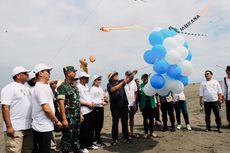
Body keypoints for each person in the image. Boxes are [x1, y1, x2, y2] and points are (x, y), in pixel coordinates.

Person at [1, 66, 33, 153]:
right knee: (14, 151)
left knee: (27, 150)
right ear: (18, 75)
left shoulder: (27, 89)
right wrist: (9, 126)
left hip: (28, 127)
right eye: (25, 73)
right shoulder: (9, 88)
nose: (28, 75)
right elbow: (5, 107)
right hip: (15, 128)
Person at [31, 63, 62, 153]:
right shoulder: (40, 87)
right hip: (42, 126)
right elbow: (46, 108)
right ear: (40, 73)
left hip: (44, 124)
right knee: (44, 150)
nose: (49, 73)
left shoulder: (44, 86)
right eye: (47, 71)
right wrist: (57, 121)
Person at [57, 66, 82, 153]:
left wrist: (81, 114)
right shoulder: (62, 87)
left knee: (76, 137)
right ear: (68, 73)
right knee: (67, 138)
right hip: (68, 118)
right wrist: (64, 119)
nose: (75, 73)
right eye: (73, 72)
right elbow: (61, 104)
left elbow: (77, 102)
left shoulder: (74, 87)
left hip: (76, 116)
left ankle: (77, 150)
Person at [107, 71, 133, 145]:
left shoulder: (121, 81)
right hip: (115, 107)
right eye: (114, 75)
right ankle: (114, 139)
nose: (116, 75)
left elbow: (130, 79)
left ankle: (126, 138)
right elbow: (113, 89)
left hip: (124, 105)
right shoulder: (109, 84)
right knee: (115, 123)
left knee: (125, 123)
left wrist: (133, 73)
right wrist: (123, 83)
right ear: (111, 78)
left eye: (116, 74)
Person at [77, 71, 98, 152]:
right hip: (84, 111)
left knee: (91, 128)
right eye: (86, 78)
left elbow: (88, 97)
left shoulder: (86, 86)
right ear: (82, 78)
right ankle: (82, 147)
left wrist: (92, 102)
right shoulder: (78, 87)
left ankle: (89, 144)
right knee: (84, 130)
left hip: (90, 110)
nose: (88, 79)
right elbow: (77, 100)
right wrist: (87, 104)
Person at [90, 75, 108, 146]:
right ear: (94, 81)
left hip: (101, 107)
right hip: (96, 108)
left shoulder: (100, 88)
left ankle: (97, 138)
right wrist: (101, 102)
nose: (99, 81)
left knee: (100, 124)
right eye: (98, 79)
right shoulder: (92, 89)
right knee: (97, 125)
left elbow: (102, 97)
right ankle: (96, 140)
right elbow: (92, 100)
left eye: (100, 79)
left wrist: (105, 99)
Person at [139, 74, 157, 138]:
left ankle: (152, 132)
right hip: (144, 105)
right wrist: (139, 106)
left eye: (146, 77)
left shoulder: (151, 85)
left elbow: (156, 93)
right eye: (144, 77)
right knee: (145, 119)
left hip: (151, 104)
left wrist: (158, 102)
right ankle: (146, 133)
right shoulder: (140, 86)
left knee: (152, 119)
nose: (145, 78)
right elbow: (139, 96)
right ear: (142, 79)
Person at [124, 71, 139, 138]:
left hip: (132, 103)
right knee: (125, 119)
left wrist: (135, 102)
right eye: (129, 75)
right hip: (125, 104)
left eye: (131, 74)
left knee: (132, 119)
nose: (130, 76)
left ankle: (131, 132)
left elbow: (135, 93)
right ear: (126, 75)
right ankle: (126, 133)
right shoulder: (124, 82)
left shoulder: (134, 83)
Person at [49, 80, 60, 152]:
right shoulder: (49, 91)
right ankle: (52, 144)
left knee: (56, 127)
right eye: (53, 84)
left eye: (56, 84)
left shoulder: (55, 92)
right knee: (50, 127)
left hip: (55, 110)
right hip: (50, 111)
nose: (55, 85)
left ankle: (53, 143)